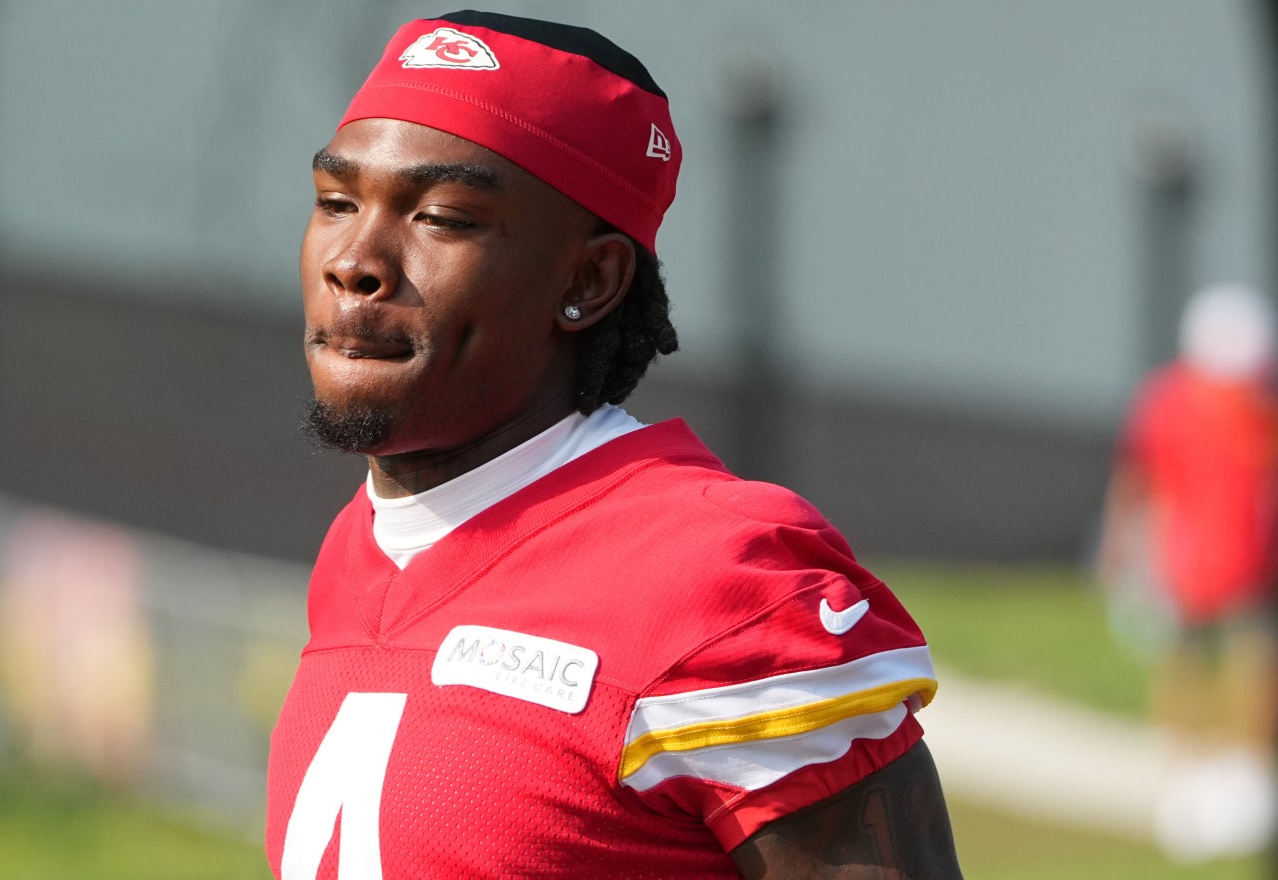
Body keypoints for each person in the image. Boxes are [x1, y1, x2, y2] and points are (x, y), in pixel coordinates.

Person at [266, 11, 963, 879]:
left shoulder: (719, 577)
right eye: (336, 202)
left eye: (441, 217)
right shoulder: (361, 547)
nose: (356, 260)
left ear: (589, 280)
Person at [1097, 283, 1278, 860]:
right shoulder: (1168, 402)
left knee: (1254, 663)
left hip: (1254, 563)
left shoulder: (1260, 403)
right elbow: (1137, 474)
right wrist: (1119, 545)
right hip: (1187, 565)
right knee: (1187, 666)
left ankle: (1249, 776)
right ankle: (1186, 779)